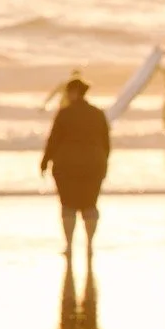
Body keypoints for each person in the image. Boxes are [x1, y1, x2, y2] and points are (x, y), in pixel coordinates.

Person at [39, 76, 111, 260]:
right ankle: (89, 245)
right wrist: (103, 164)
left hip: (67, 166)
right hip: (94, 165)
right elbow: (106, 143)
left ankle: (69, 245)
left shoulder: (64, 114)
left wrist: (45, 161)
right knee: (90, 205)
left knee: (68, 205)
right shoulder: (98, 113)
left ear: (74, 92)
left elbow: (53, 140)